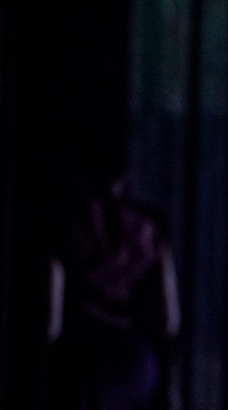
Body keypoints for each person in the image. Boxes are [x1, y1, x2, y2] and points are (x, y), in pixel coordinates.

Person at [48, 174, 181, 410]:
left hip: (86, 360)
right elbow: (169, 319)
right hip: (135, 360)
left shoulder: (71, 226)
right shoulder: (148, 228)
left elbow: (52, 322)